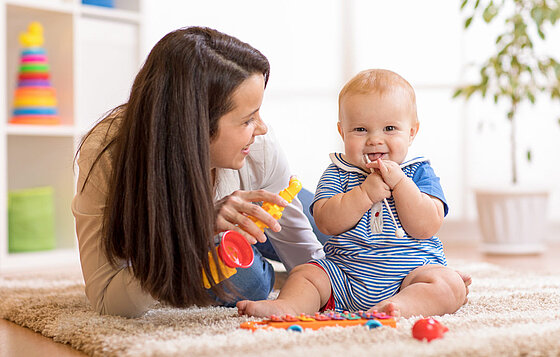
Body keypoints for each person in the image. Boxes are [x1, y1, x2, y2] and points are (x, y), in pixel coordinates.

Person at [71, 26, 324, 318]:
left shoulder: (260, 147)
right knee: (246, 278)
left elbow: (307, 257)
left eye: (258, 113)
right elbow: (107, 300)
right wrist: (192, 230)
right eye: (247, 120)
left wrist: (318, 284)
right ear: (195, 128)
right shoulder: (108, 154)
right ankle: (261, 270)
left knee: (349, 235)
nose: (262, 128)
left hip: (261, 206)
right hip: (196, 247)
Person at [237, 69, 471, 318]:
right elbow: (325, 223)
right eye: (360, 130)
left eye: (390, 128)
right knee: (306, 274)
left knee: (450, 285)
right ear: (342, 132)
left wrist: (400, 184)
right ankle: (288, 307)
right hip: (344, 275)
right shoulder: (338, 172)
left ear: (412, 132)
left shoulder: (419, 171)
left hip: (410, 275)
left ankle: (400, 307)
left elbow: (426, 226)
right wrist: (364, 194)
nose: (374, 139)